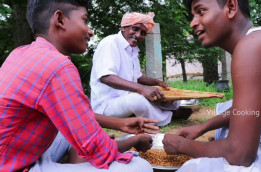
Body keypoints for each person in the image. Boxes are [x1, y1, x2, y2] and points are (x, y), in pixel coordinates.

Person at [0, 0, 159, 171]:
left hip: (15, 151)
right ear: (60, 20)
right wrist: (134, 141)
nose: (90, 31)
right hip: (13, 166)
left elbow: (72, 112)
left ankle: (76, 163)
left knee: (69, 131)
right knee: (139, 167)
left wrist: (119, 124)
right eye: (84, 20)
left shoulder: (19, 53)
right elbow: (100, 149)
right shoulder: (59, 67)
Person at [162, 0, 261, 171]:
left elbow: (240, 155)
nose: (193, 23)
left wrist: (182, 146)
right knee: (231, 109)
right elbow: (246, 109)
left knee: (194, 168)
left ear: (231, 7)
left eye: (201, 11)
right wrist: (201, 127)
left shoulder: (252, 47)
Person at [90, 12, 181, 127]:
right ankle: (169, 117)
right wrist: (141, 89)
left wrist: (157, 83)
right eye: (135, 29)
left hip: (126, 97)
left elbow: (137, 78)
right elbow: (106, 77)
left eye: (143, 33)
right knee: (138, 101)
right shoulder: (110, 43)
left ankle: (168, 110)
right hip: (105, 106)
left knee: (169, 96)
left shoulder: (133, 49)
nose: (138, 35)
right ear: (124, 27)